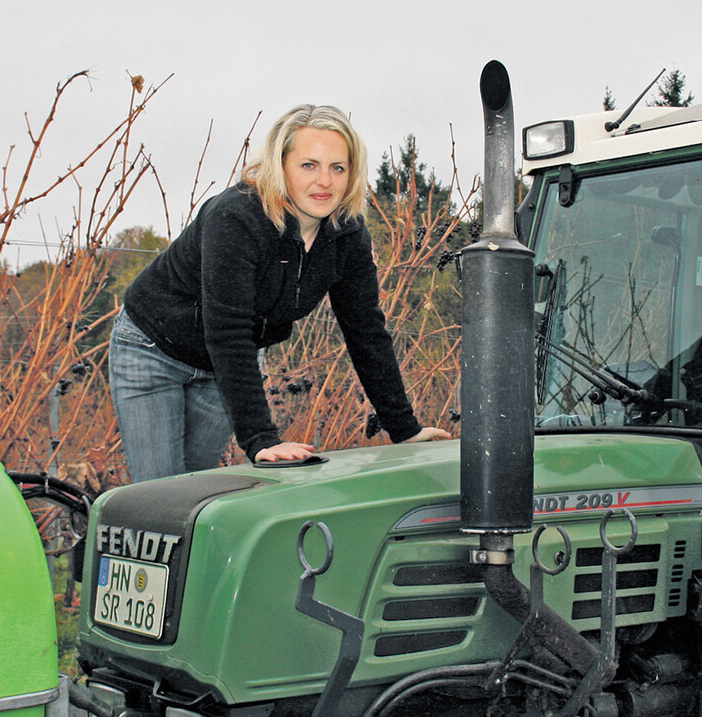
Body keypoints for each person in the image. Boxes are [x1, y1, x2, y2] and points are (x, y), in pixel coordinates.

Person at [109, 104, 451, 482]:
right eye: (309, 165)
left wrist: (404, 428)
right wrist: (260, 439)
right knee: (160, 490)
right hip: (153, 349)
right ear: (280, 165)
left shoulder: (348, 234)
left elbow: (366, 330)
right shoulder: (237, 217)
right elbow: (227, 329)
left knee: (193, 486)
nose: (325, 181)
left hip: (224, 365)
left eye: (338, 167)